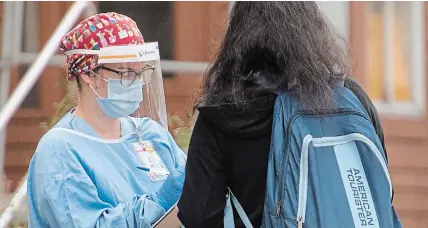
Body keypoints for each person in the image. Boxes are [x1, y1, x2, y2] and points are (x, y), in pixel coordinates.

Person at [177, 2, 388, 227]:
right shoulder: (351, 98)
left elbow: (198, 217)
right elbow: (381, 187)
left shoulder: (225, 115)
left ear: (238, 35)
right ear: (312, 30)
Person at [27, 12, 186, 228]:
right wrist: (160, 201)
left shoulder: (150, 134)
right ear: (88, 73)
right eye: (126, 72)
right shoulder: (60, 150)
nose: (137, 83)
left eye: (141, 73)